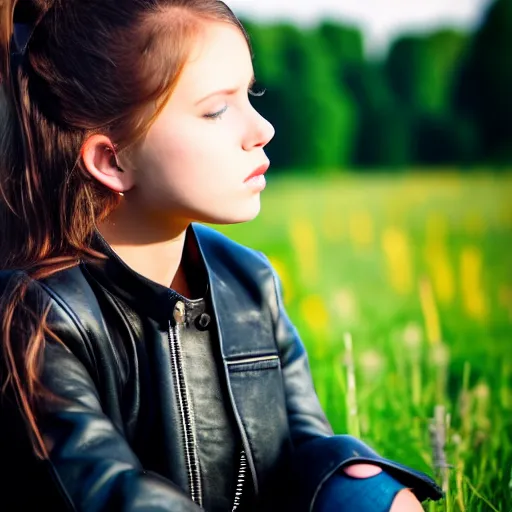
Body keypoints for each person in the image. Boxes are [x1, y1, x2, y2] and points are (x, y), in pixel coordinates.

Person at [0, 1, 443, 511]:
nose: (263, 129)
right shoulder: (38, 314)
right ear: (112, 159)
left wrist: (361, 484)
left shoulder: (249, 281)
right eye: (216, 109)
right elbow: (110, 496)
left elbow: (303, 451)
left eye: (250, 95)